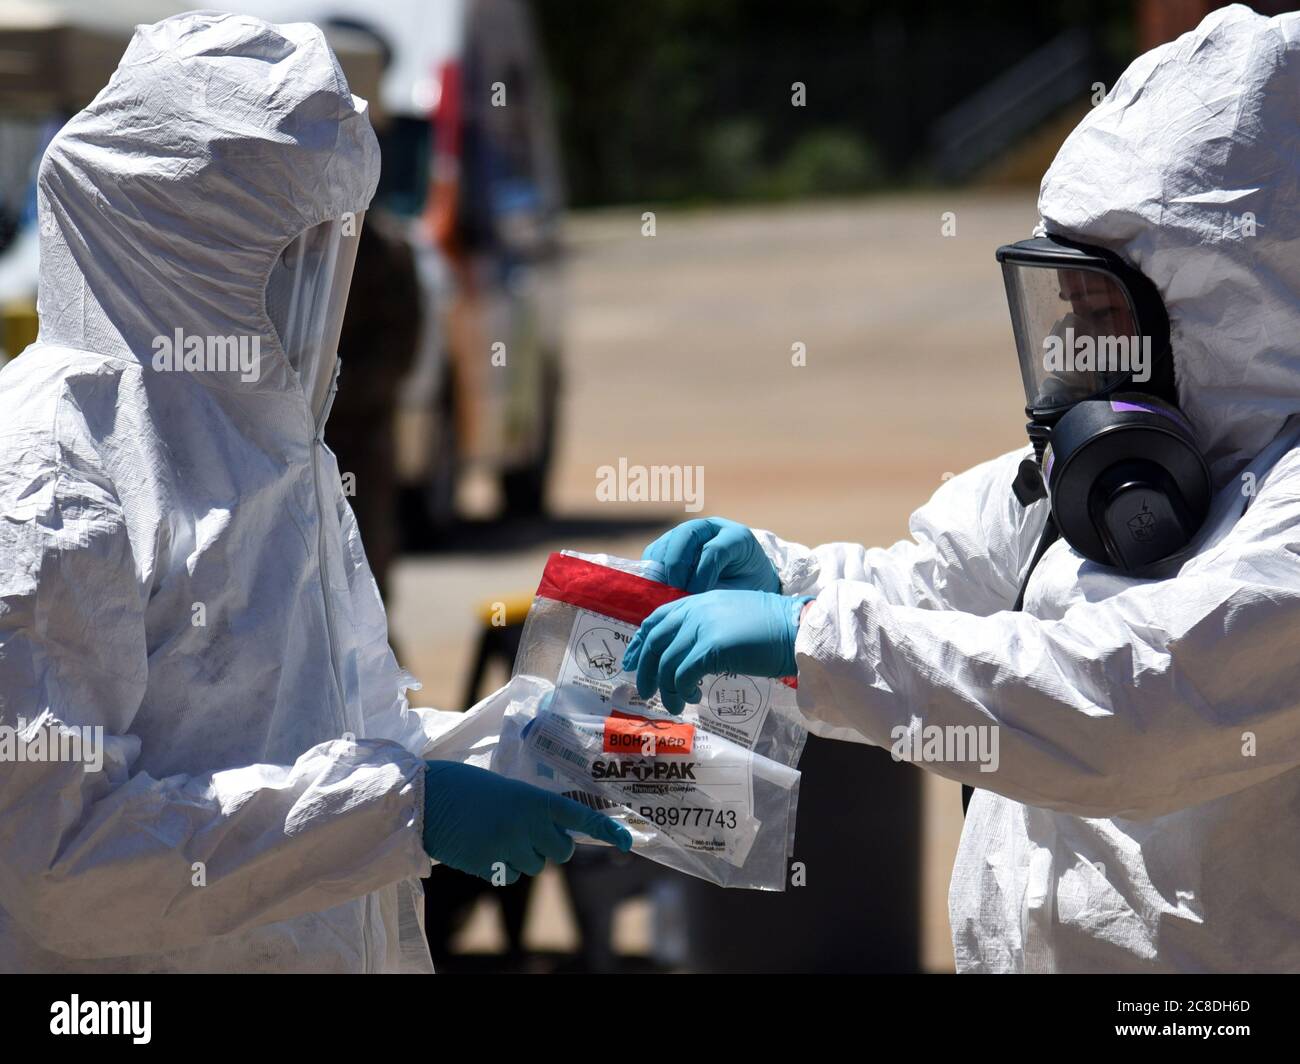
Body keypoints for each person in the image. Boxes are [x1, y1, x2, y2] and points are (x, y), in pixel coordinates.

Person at [623, 6, 1300, 973]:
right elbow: (934, 595)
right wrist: (784, 583)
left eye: (1105, 315)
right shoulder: (1082, 484)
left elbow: (1127, 707)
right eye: (1063, 312)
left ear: (1225, 312)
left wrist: (809, 643)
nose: (1075, 358)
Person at [0, 12, 627, 975]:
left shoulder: (261, 448)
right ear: (179, 236)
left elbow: (318, 739)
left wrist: (514, 752)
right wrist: (402, 810)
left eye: (328, 247)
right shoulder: (50, 473)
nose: (313, 288)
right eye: (283, 250)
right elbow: (58, 864)